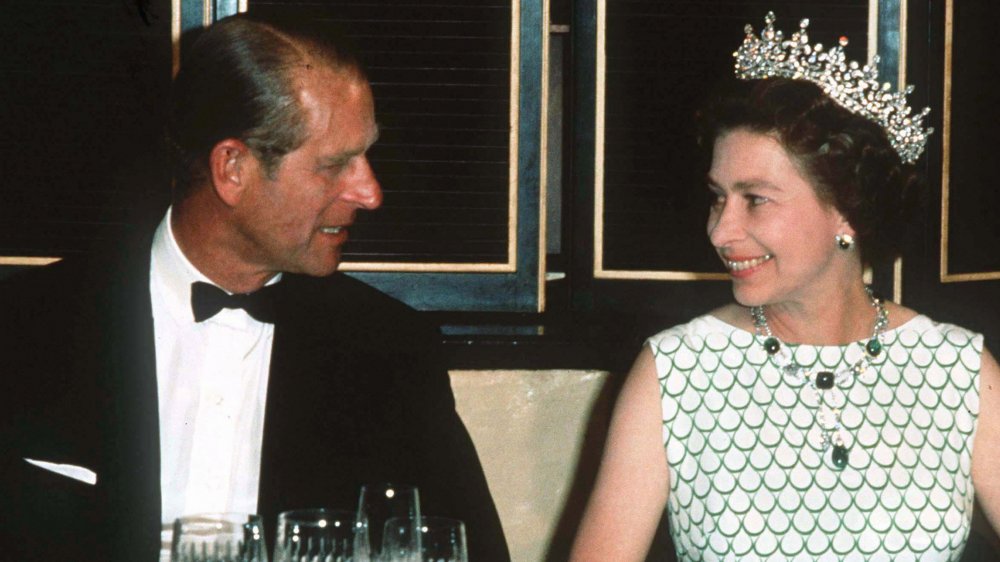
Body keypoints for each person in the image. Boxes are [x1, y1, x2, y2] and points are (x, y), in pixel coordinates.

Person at [0, 14, 510, 561]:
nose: (370, 192)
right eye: (335, 165)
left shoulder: (392, 354)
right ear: (233, 169)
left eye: (366, 156)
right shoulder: (25, 327)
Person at [570, 12, 1000, 562]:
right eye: (717, 196)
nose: (720, 231)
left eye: (755, 198)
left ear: (847, 211)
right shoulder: (674, 370)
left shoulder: (958, 368)